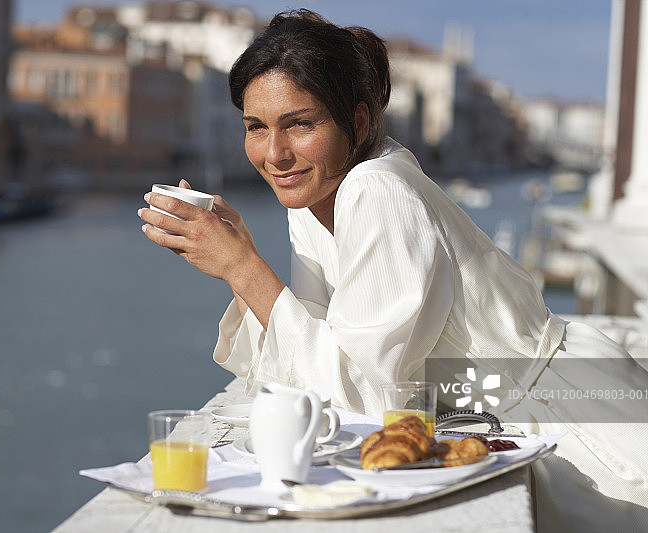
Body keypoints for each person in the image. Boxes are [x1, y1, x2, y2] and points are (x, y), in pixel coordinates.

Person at [138, 9, 648, 532]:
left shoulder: (375, 188)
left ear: (357, 122)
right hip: (537, 416)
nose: (275, 154)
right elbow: (317, 371)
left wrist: (243, 267)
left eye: (301, 124)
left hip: (583, 438)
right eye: (255, 127)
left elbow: (364, 394)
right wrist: (236, 258)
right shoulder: (316, 198)